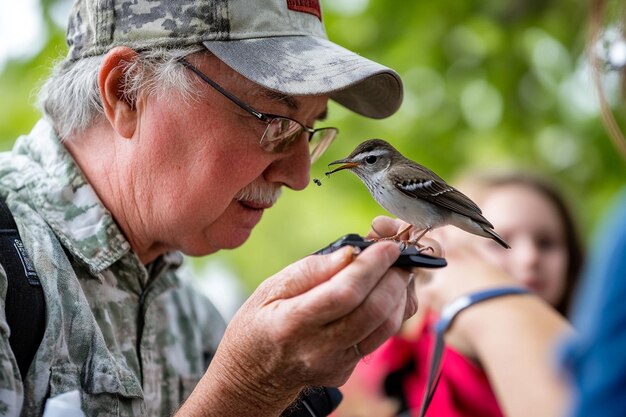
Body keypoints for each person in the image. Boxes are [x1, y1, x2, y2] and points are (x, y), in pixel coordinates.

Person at [0, 1, 437, 416]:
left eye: (309, 130)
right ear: (127, 92)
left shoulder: (191, 314)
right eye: (272, 120)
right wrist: (252, 386)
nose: (300, 176)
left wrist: (293, 383)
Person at [332, 170, 584, 417]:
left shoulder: (598, 348)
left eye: (547, 243)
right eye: (505, 239)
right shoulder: (380, 373)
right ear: (446, 246)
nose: (529, 258)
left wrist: (481, 294)